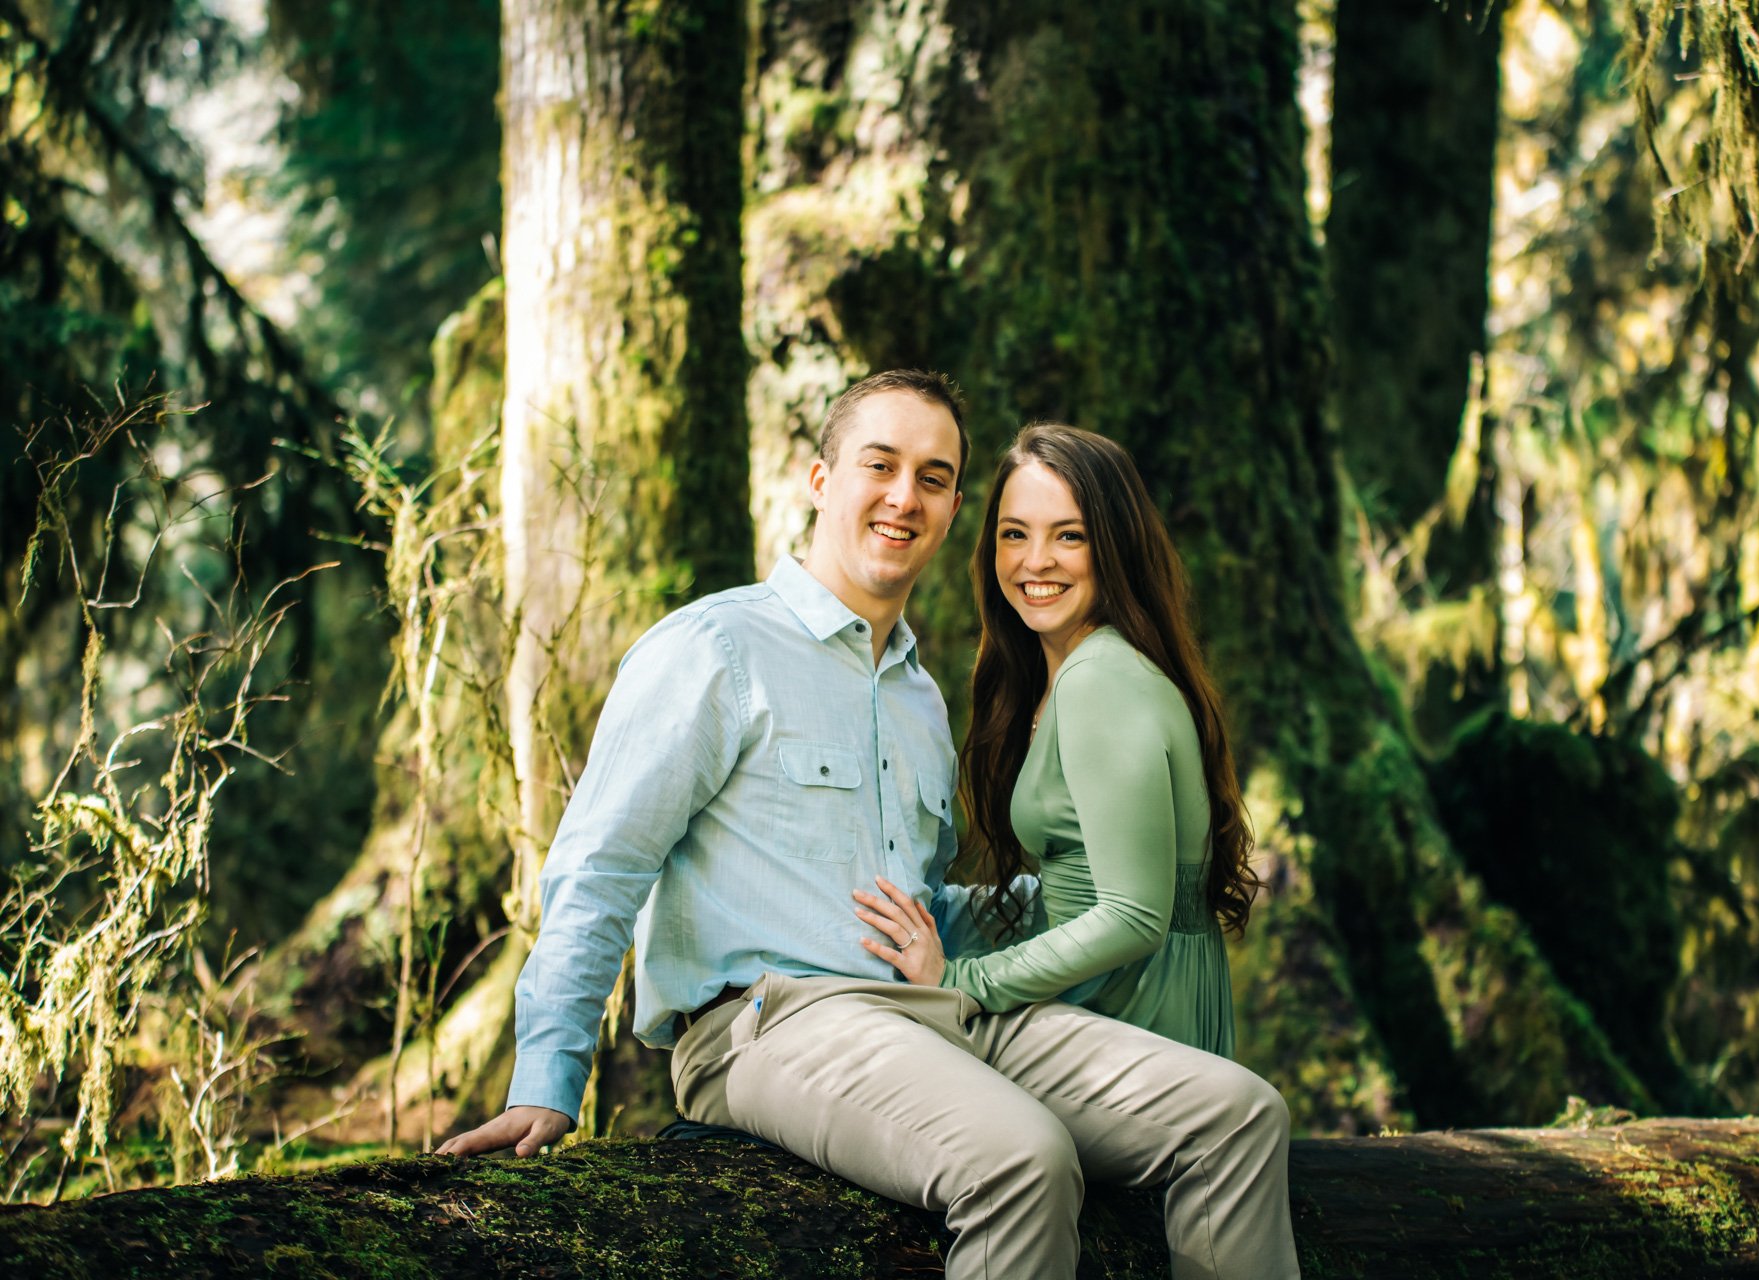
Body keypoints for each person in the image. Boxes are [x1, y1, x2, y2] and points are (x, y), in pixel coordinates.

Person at [437, 371, 1299, 1280]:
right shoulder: (716, 649)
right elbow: (600, 866)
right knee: (1020, 1159)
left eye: (932, 478)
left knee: (1236, 1114)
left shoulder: (922, 699)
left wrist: (1096, 886)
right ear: (818, 479)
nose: (903, 496)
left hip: (930, 1011)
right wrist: (548, 1078)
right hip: (773, 1026)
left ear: (956, 507)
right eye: (879, 465)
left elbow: (915, 907)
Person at [854, 422, 1255, 1061]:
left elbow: (1131, 916)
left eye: (1069, 535)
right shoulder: (1076, 673)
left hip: (1135, 1021)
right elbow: (1086, 879)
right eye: (1014, 535)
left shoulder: (1100, 679)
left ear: (1114, 547)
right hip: (1114, 1003)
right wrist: (945, 916)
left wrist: (961, 981)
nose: (1034, 561)